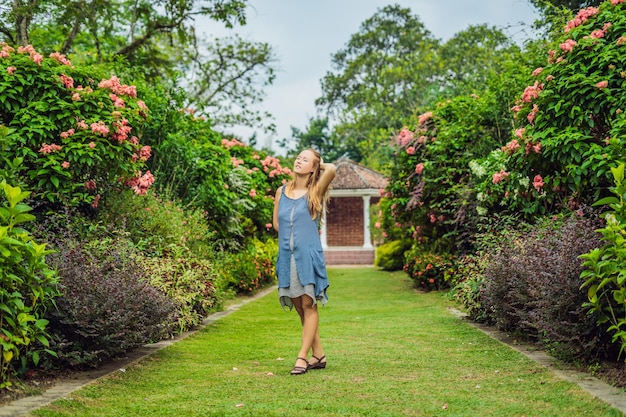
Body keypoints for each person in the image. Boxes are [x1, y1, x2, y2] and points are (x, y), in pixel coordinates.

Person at [272, 148, 336, 375]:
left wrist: (319, 166)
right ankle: (319, 355)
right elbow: (278, 225)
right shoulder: (281, 191)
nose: (299, 160)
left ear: (313, 168)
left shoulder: (314, 192)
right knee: (300, 307)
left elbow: (332, 169)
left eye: (305, 159)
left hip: (307, 257)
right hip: (287, 256)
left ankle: (302, 357)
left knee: (308, 305)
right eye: (298, 157)